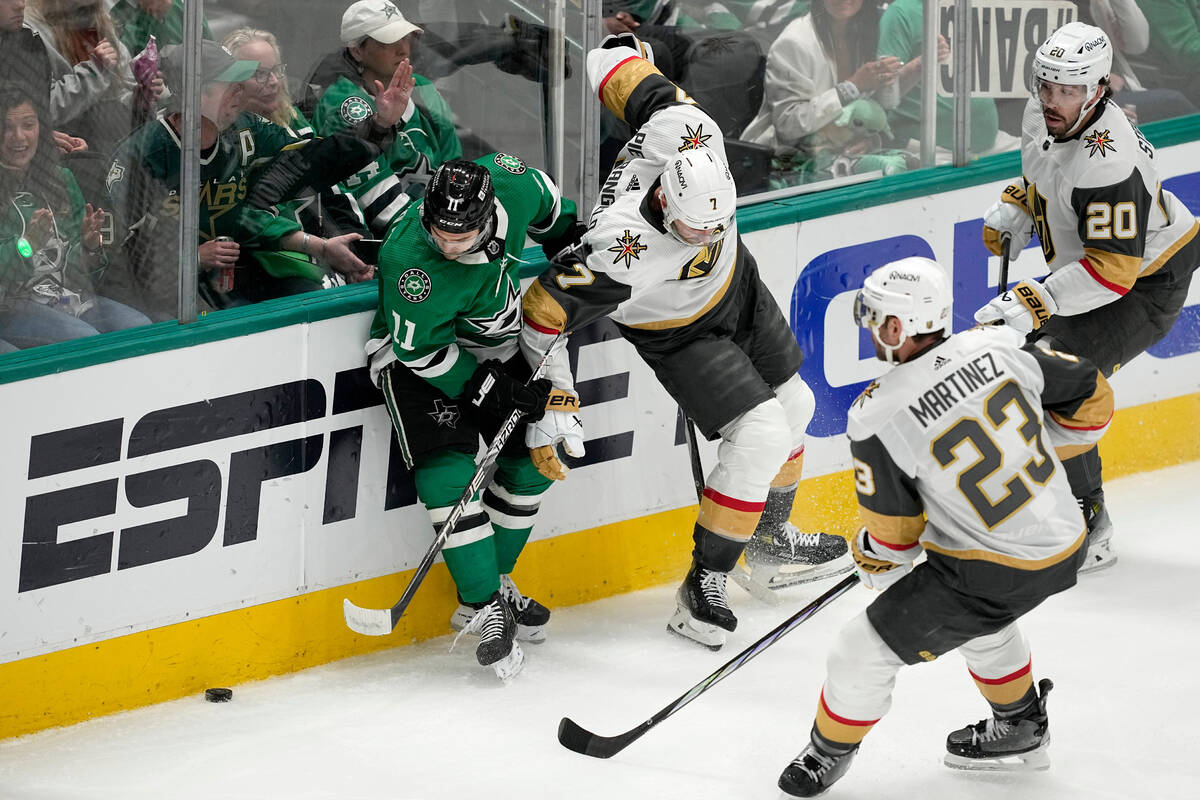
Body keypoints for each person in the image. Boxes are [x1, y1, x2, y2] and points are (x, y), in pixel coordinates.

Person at [519, 35, 850, 651]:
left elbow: (614, 65)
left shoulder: (690, 128)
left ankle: (771, 543)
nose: (704, 234)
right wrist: (553, 392)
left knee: (797, 407)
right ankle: (705, 584)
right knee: (762, 434)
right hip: (677, 331)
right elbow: (540, 309)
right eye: (694, 228)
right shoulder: (622, 247)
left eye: (715, 223)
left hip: (737, 285)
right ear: (664, 198)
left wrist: (617, 46)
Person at [776, 257, 1114, 797]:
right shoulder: (999, 346)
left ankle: (827, 753)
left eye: (874, 316)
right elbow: (1094, 397)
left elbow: (895, 542)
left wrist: (869, 552)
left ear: (897, 327)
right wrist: (1046, 446)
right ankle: (1022, 725)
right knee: (975, 613)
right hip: (1069, 540)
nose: (869, 327)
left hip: (988, 573)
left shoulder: (876, 413)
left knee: (858, 650)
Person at [975, 21, 1200, 573]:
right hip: (1104, 268)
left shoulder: (1112, 163)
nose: (1052, 99)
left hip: (1147, 280)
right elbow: (1047, 168)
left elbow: (1110, 275)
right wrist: (1022, 205)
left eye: (1068, 90)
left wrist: (1033, 300)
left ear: (1098, 90)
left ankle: (1087, 518)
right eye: (1046, 85)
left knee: (1057, 378)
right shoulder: (1043, 112)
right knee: (1031, 372)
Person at [364, 154, 584, 679]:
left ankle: (494, 584)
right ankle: (483, 605)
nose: (447, 243)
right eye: (439, 230)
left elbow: (555, 211)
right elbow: (421, 354)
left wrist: (570, 254)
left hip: (495, 345)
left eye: (460, 235)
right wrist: (490, 389)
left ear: (486, 215)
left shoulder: (512, 182)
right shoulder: (411, 262)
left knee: (535, 458)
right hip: (417, 359)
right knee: (448, 474)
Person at [104, 40, 392, 318]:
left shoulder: (246, 130)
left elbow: (313, 160)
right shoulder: (142, 156)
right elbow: (116, 261)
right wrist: (191, 259)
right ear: (196, 93)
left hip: (230, 280)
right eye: (230, 84)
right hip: (164, 299)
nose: (239, 91)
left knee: (310, 302)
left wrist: (378, 127)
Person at [0, 83, 150, 347]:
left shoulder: (62, 180)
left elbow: (82, 278)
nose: (19, 137)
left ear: (41, 129)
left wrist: (90, 249)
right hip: (11, 307)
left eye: (28, 125)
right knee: (84, 342)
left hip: (67, 298)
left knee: (139, 328)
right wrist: (26, 247)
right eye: (7, 127)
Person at [311, 0, 461, 236]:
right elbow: (369, 194)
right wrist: (438, 233)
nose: (403, 49)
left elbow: (453, 162)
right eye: (388, 41)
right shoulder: (343, 102)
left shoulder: (423, 89)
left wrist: (458, 214)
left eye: (405, 38)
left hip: (439, 222)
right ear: (357, 50)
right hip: (389, 239)